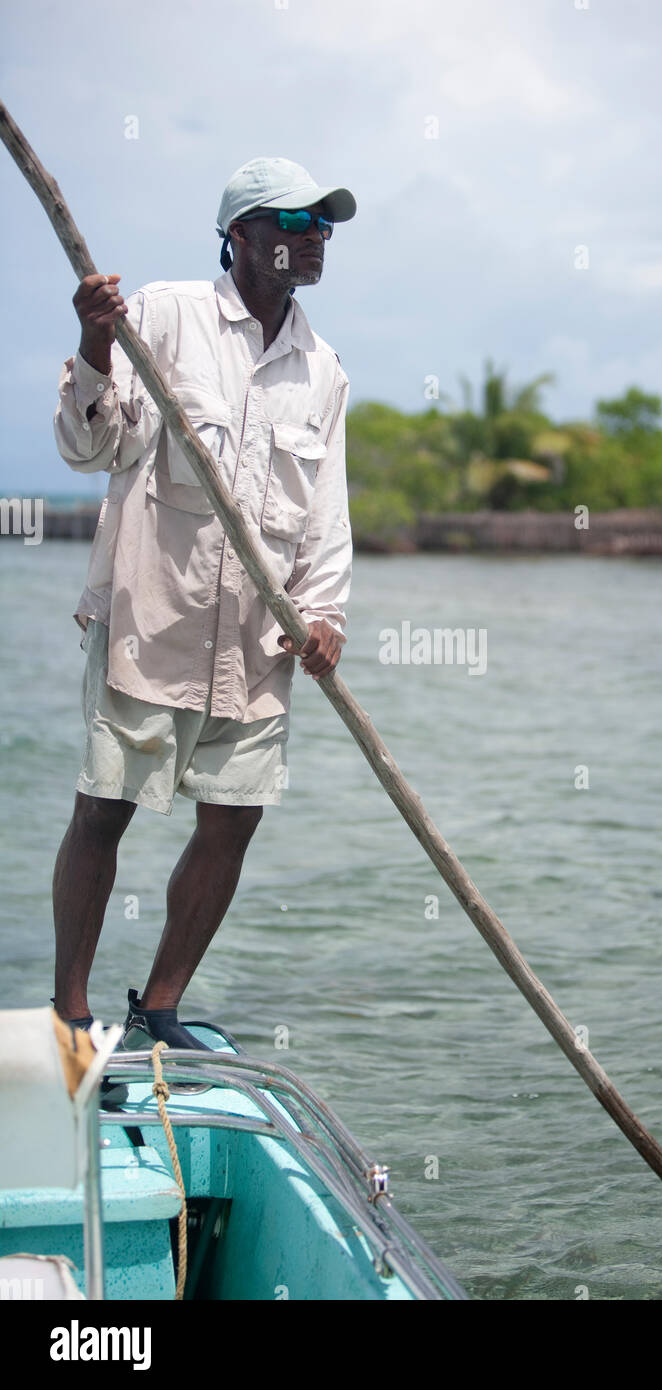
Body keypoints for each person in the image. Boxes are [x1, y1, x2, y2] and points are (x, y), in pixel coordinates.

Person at [50, 157, 356, 1066]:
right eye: (295, 224)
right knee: (104, 807)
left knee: (235, 819)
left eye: (323, 228)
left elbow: (327, 509)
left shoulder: (323, 369)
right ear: (242, 235)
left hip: (258, 644)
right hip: (153, 616)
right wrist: (96, 345)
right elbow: (87, 445)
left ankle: (161, 1005)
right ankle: (70, 1010)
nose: (314, 241)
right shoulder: (163, 316)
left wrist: (324, 611)